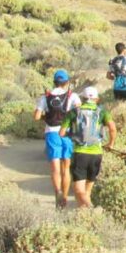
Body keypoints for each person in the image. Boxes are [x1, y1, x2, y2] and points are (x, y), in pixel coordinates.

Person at [60, 86, 116, 209]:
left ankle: (91, 207)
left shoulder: (74, 112)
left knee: (79, 191)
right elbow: (112, 128)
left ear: (83, 98)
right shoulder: (102, 112)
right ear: (97, 99)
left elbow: (61, 133)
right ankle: (84, 216)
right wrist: (111, 144)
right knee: (87, 191)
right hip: (96, 154)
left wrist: (72, 134)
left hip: (80, 153)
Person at [34, 70, 81, 209]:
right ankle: (64, 199)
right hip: (67, 134)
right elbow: (79, 113)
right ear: (67, 82)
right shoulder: (72, 96)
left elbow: (36, 117)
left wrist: (46, 117)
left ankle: (58, 193)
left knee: (55, 168)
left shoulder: (45, 97)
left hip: (51, 133)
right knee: (66, 168)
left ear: (54, 82)